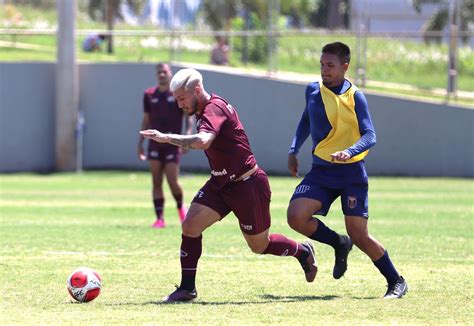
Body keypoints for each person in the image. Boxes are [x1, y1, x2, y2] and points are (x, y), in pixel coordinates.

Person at [140, 68, 317, 303]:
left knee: (259, 245)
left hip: (248, 184)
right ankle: (187, 289)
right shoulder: (200, 108)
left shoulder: (214, 108)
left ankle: (302, 251)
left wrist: (166, 137)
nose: (179, 104)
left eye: (181, 98)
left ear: (196, 90)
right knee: (190, 226)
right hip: (221, 183)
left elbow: (203, 141)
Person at [287, 42, 408, 299]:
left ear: (345, 67)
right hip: (321, 170)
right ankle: (338, 243)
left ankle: (396, 280)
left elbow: (370, 135)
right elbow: (306, 120)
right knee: (296, 216)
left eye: (330, 66)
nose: (324, 70)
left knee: (360, 235)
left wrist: (350, 152)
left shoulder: (355, 96)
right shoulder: (312, 90)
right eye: (321, 65)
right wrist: (294, 148)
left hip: (351, 173)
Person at [138, 63, 193, 228]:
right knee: (156, 181)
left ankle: (180, 209)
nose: (162, 74)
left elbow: (188, 116)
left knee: (172, 180)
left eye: (165, 72)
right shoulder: (149, 94)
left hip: (172, 143)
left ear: (170, 74)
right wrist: (140, 142)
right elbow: (146, 119)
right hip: (154, 144)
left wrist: (187, 137)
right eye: (159, 72)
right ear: (157, 75)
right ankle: (160, 218)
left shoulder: (176, 94)